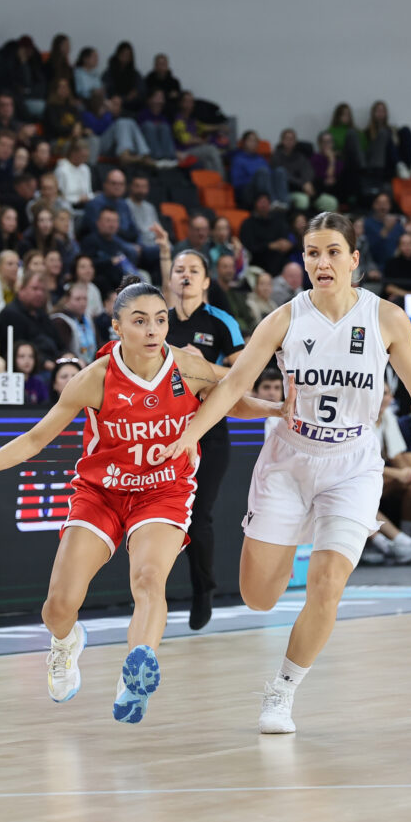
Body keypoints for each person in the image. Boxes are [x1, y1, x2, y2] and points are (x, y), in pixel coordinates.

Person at [165, 213, 411, 735]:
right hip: (288, 459)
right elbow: (233, 382)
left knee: (328, 586)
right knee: (258, 597)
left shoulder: (386, 318)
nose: (322, 262)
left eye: (333, 252)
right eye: (312, 253)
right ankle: (284, 547)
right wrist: (187, 437)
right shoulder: (284, 318)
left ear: (354, 260)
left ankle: (282, 691)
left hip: (352, 464)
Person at [0, 277, 284, 724]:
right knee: (59, 605)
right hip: (102, 493)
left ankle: (137, 667)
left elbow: (231, 396)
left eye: (160, 320)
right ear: (117, 327)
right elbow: (36, 438)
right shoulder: (93, 380)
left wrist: (276, 409)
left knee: (150, 580)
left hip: (163, 490)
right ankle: (64, 643)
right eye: (140, 321)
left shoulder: (187, 367)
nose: (153, 330)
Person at [160, 247, 246, 629]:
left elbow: (243, 375)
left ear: (206, 281)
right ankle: (152, 594)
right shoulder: (159, 321)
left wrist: (199, 364)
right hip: (164, 433)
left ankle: (203, 589)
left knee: (198, 518)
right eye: (180, 269)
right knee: (159, 518)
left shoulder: (221, 322)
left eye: (194, 270)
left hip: (209, 434)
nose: (186, 276)